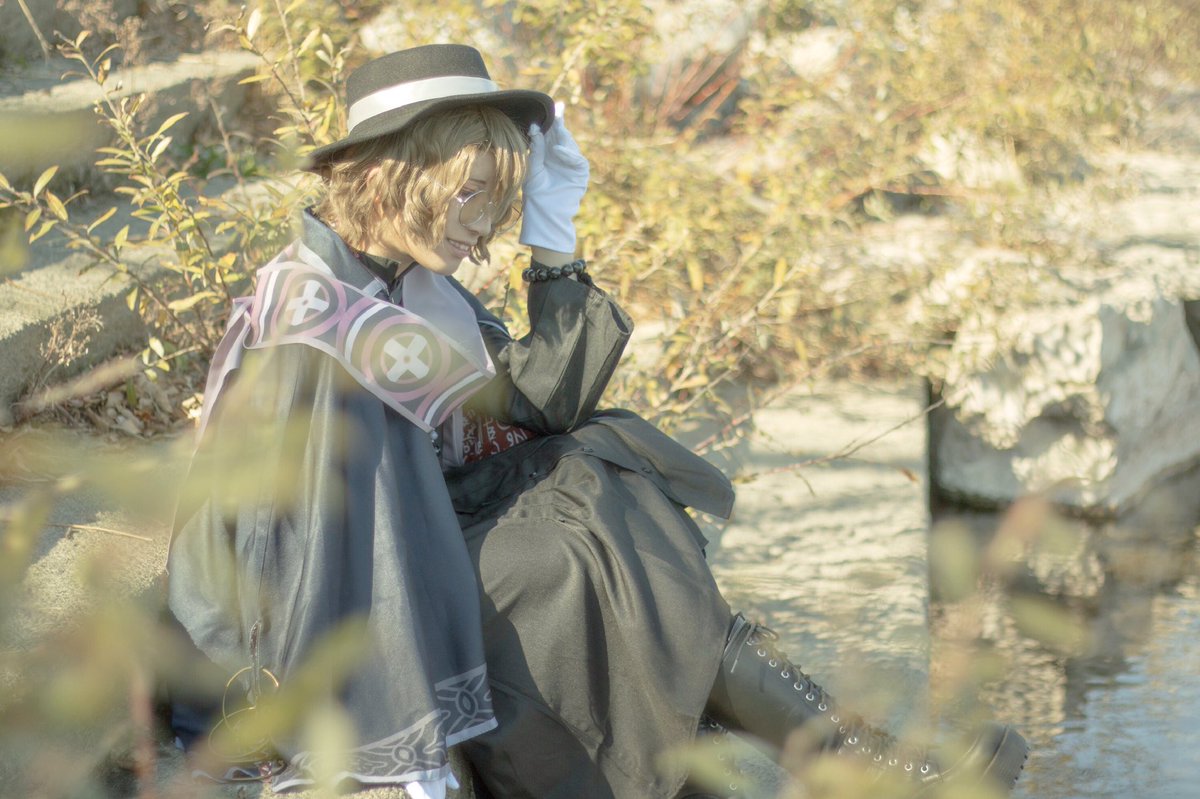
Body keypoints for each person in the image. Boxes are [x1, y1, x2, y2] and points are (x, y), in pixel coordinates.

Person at [164, 44, 1028, 799]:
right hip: (340, 588)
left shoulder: (406, 284)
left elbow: (536, 406)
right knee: (573, 537)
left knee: (595, 475)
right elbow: (298, 540)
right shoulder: (316, 313)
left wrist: (556, 241)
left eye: (497, 199)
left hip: (415, 532)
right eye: (470, 194)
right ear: (400, 175)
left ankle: (849, 757)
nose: (483, 224)